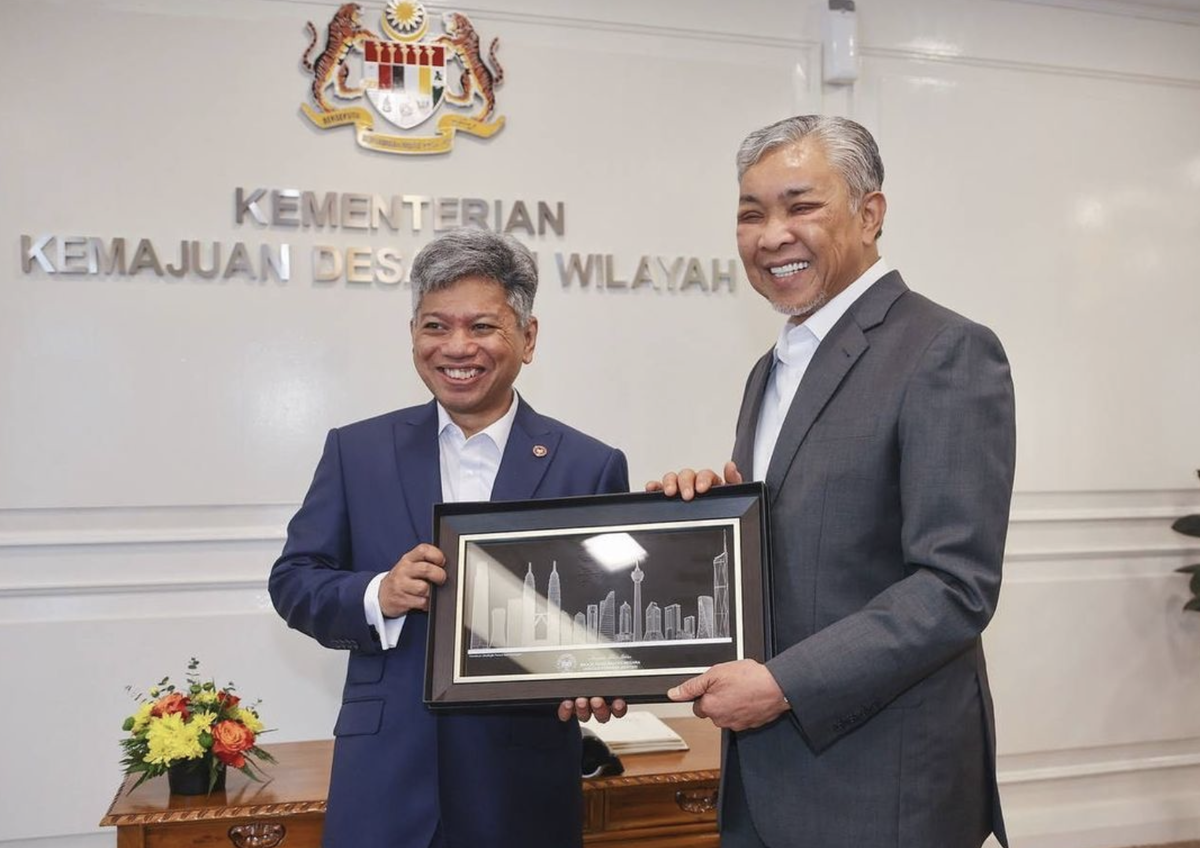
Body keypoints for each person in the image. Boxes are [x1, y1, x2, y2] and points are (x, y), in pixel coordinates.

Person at [652, 115, 1016, 848]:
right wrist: (709, 518)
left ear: (870, 213)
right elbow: (800, 540)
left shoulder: (946, 350)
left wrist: (785, 685)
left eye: (801, 205)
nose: (771, 234)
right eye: (751, 214)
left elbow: (953, 586)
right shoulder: (772, 369)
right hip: (766, 777)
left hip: (879, 785)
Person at [269, 228, 629, 848]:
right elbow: (294, 580)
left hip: (520, 787)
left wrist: (604, 675)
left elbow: (611, 624)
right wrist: (378, 593)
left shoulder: (588, 465)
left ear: (528, 337)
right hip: (385, 781)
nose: (456, 347)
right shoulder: (356, 451)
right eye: (435, 326)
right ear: (413, 334)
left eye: (482, 327)